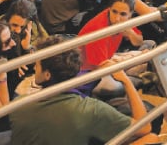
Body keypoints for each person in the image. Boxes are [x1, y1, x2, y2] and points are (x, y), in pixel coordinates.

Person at [10, 36, 159, 145]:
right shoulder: (90, 109)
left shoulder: (19, 105)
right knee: (152, 138)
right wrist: (126, 81)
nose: (35, 68)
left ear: (48, 74)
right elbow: (144, 127)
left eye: (37, 65)